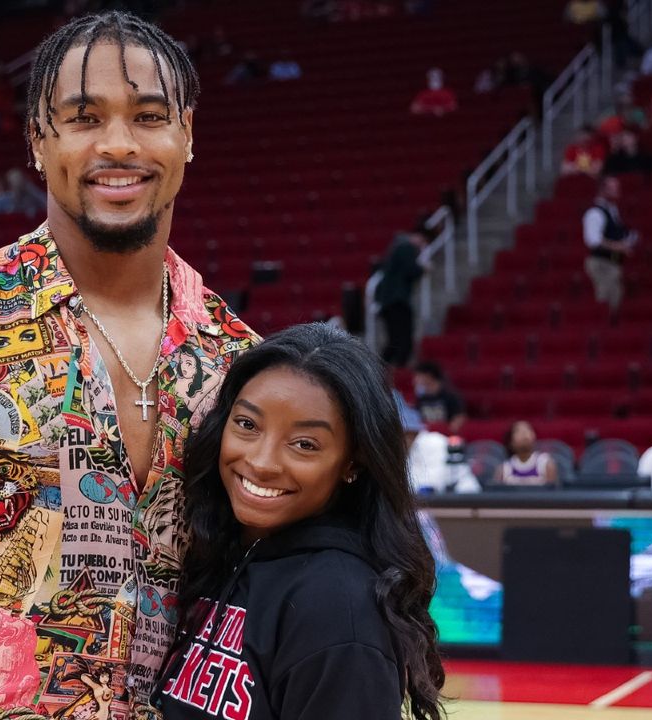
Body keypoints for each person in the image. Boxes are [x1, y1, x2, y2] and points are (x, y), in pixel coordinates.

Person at [0, 12, 258, 720]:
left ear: (187, 133)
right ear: (39, 139)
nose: (119, 144)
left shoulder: (239, 358)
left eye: (150, 116)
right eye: (84, 117)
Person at [153, 323, 444, 720]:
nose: (261, 462)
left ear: (353, 462)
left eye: (304, 444)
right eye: (247, 425)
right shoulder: (218, 553)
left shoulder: (339, 609)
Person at [374, 230, 429, 366]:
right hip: (397, 301)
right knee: (403, 339)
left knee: (394, 340)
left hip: (388, 302)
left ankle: (380, 369)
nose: (422, 247)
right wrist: (424, 268)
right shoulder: (406, 247)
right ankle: (397, 369)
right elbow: (412, 270)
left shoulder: (396, 249)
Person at [582, 176, 637, 311]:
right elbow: (593, 240)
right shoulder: (595, 212)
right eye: (613, 188)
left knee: (615, 297)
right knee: (606, 300)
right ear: (603, 190)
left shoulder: (612, 210)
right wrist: (619, 247)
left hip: (613, 262)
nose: (618, 190)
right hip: (602, 263)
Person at [495, 421, 558, 486]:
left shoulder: (546, 464)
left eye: (528, 429)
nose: (524, 433)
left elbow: (552, 494)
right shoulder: (504, 469)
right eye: (518, 431)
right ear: (510, 442)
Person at [412, 360, 466, 434]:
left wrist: (449, 430)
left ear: (428, 376)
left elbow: (459, 418)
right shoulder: (421, 398)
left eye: (418, 375)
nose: (415, 379)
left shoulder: (450, 396)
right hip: (426, 437)